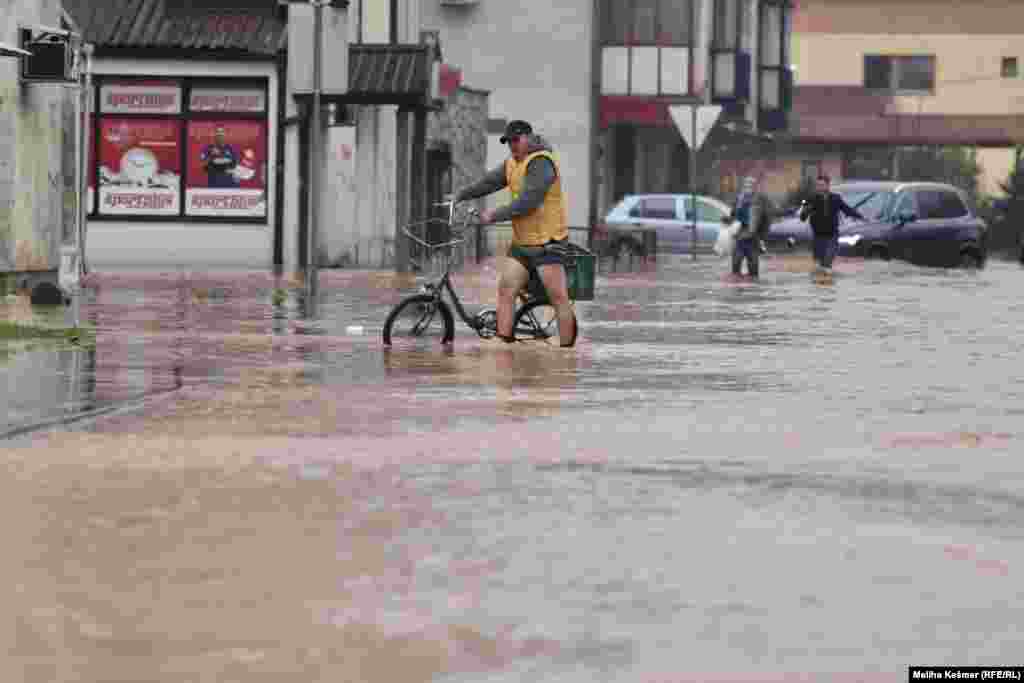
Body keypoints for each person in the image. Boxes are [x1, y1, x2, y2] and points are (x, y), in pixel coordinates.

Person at [453, 120, 576, 347]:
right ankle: (503, 344)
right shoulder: (512, 163)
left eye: (516, 140)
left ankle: (566, 352)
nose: (512, 146)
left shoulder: (541, 162)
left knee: (558, 298)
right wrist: (461, 195)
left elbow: (528, 202)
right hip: (522, 244)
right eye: (508, 142)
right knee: (506, 289)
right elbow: (489, 182)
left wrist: (494, 215)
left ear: (528, 137)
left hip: (548, 243)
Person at [799, 174, 864, 271]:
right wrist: (806, 210)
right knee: (819, 263)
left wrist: (860, 216)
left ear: (828, 185)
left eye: (822, 185)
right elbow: (802, 217)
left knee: (827, 260)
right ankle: (820, 282)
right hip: (818, 235)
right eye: (818, 185)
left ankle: (828, 279)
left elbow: (847, 209)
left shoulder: (836, 198)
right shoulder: (811, 198)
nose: (820, 187)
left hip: (832, 235)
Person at [729, 175, 765, 279]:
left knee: (753, 266)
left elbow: (764, 218)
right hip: (740, 235)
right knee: (736, 263)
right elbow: (733, 214)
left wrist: (761, 235)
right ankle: (737, 285)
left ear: (755, 187)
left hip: (753, 237)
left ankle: (752, 281)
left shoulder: (759, 199)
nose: (748, 187)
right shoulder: (739, 199)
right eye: (746, 184)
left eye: (751, 185)